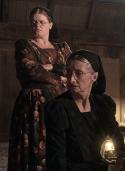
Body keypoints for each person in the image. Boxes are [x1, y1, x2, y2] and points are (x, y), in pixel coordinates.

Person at [8, 7, 71, 171]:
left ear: (50, 24)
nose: (37, 25)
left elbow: (71, 70)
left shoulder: (63, 48)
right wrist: (57, 72)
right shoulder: (24, 45)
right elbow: (31, 72)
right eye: (34, 22)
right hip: (34, 105)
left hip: (60, 103)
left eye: (42, 22)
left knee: (59, 146)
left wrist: (47, 67)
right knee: (36, 148)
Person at [45, 50, 125, 171]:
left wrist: (120, 159)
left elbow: (116, 137)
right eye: (69, 73)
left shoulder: (103, 104)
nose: (71, 80)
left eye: (78, 73)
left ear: (94, 76)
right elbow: (56, 158)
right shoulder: (58, 107)